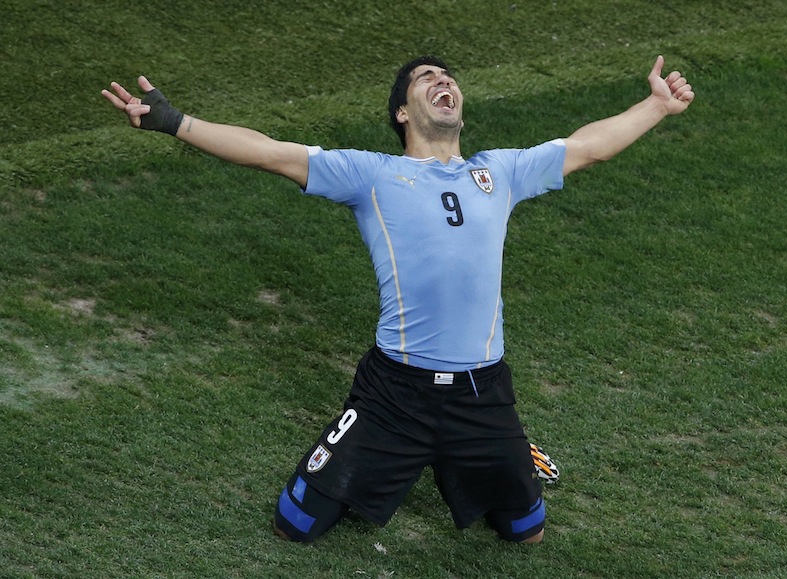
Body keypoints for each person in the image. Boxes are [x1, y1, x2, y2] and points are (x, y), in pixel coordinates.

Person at [102, 54, 694, 544]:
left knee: (526, 534)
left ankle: (505, 446)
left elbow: (589, 145)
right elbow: (268, 150)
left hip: (480, 392)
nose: (444, 81)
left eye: (448, 76)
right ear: (403, 112)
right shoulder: (372, 175)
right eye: (426, 78)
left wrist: (657, 105)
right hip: (395, 394)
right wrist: (174, 121)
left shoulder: (501, 173)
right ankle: (430, 456)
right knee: (295, 524)